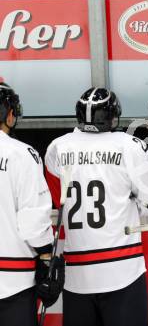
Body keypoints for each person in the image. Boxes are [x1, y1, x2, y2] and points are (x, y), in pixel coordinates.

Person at [44, 88, 148, 326]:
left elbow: (57, 199)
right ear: (112, 115)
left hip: (77, 276)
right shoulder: (130, 145)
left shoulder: (57, 148)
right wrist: (132, 205)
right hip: (122, 271)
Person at [0, 82, 63, 326]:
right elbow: (32, 218)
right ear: (10, 114)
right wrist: (46, 255)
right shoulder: (21, 154)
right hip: (13, 279)